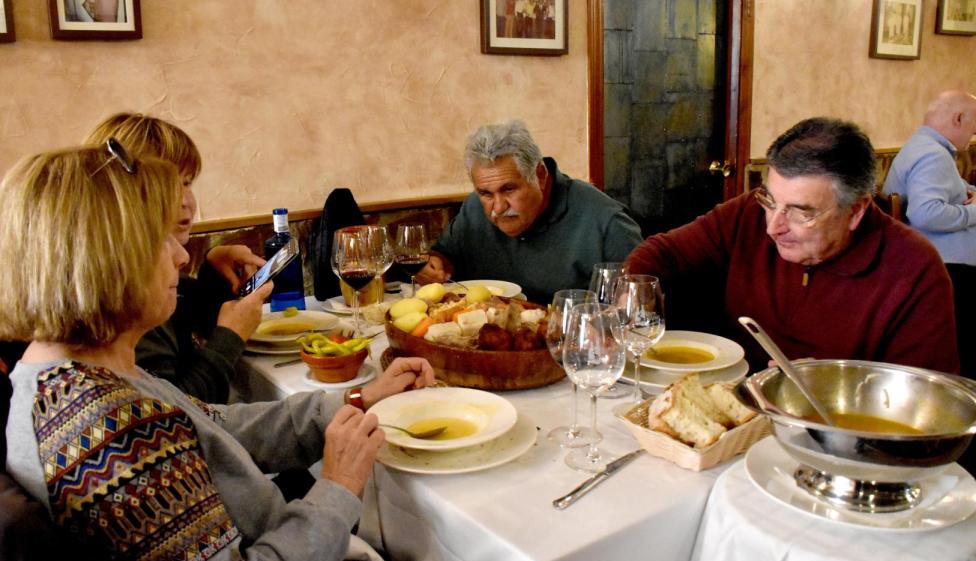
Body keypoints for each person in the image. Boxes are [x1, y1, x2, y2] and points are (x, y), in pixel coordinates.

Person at [0, 143, 434, 561]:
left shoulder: (79, 369)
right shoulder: (106, 432)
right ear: (104, 261)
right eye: (161, 239)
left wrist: (359, 398)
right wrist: (338, 487)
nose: (180, 256)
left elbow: (219, 427)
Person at [624, 117, 959, 373]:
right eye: (770, 200)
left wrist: (833, 383)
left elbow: (923, 405)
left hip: (834, 439)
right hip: (734, 413)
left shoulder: (913, 269)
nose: (773, 227)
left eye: (801, 213)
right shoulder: (747, 214)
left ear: (856, 211)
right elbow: (661, 253)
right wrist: (624, 300)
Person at [85, 112, 267, 404]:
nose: (185, 201)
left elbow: (202, 322)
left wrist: (213, 269)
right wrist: (230, 338)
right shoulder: (124, 295)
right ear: (121, 193)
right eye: (168, 186)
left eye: (187, 183)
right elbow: (176, 411)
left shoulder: (153, 269)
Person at [416, 120, 643, 303]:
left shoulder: (607, 223)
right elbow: (444, 258)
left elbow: (640, 310)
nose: (498, 207)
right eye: (485, 193)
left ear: (540, 176)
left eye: (509, 189)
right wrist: (434, 266)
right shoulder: (474, 208)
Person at [882, 90, 976, 377]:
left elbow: (957, 190)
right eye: (973, 127)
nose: (973, 136)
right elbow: (926, 213)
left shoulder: (922, 146)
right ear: (959, 118)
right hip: (953, 273)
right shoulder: (933, 156)